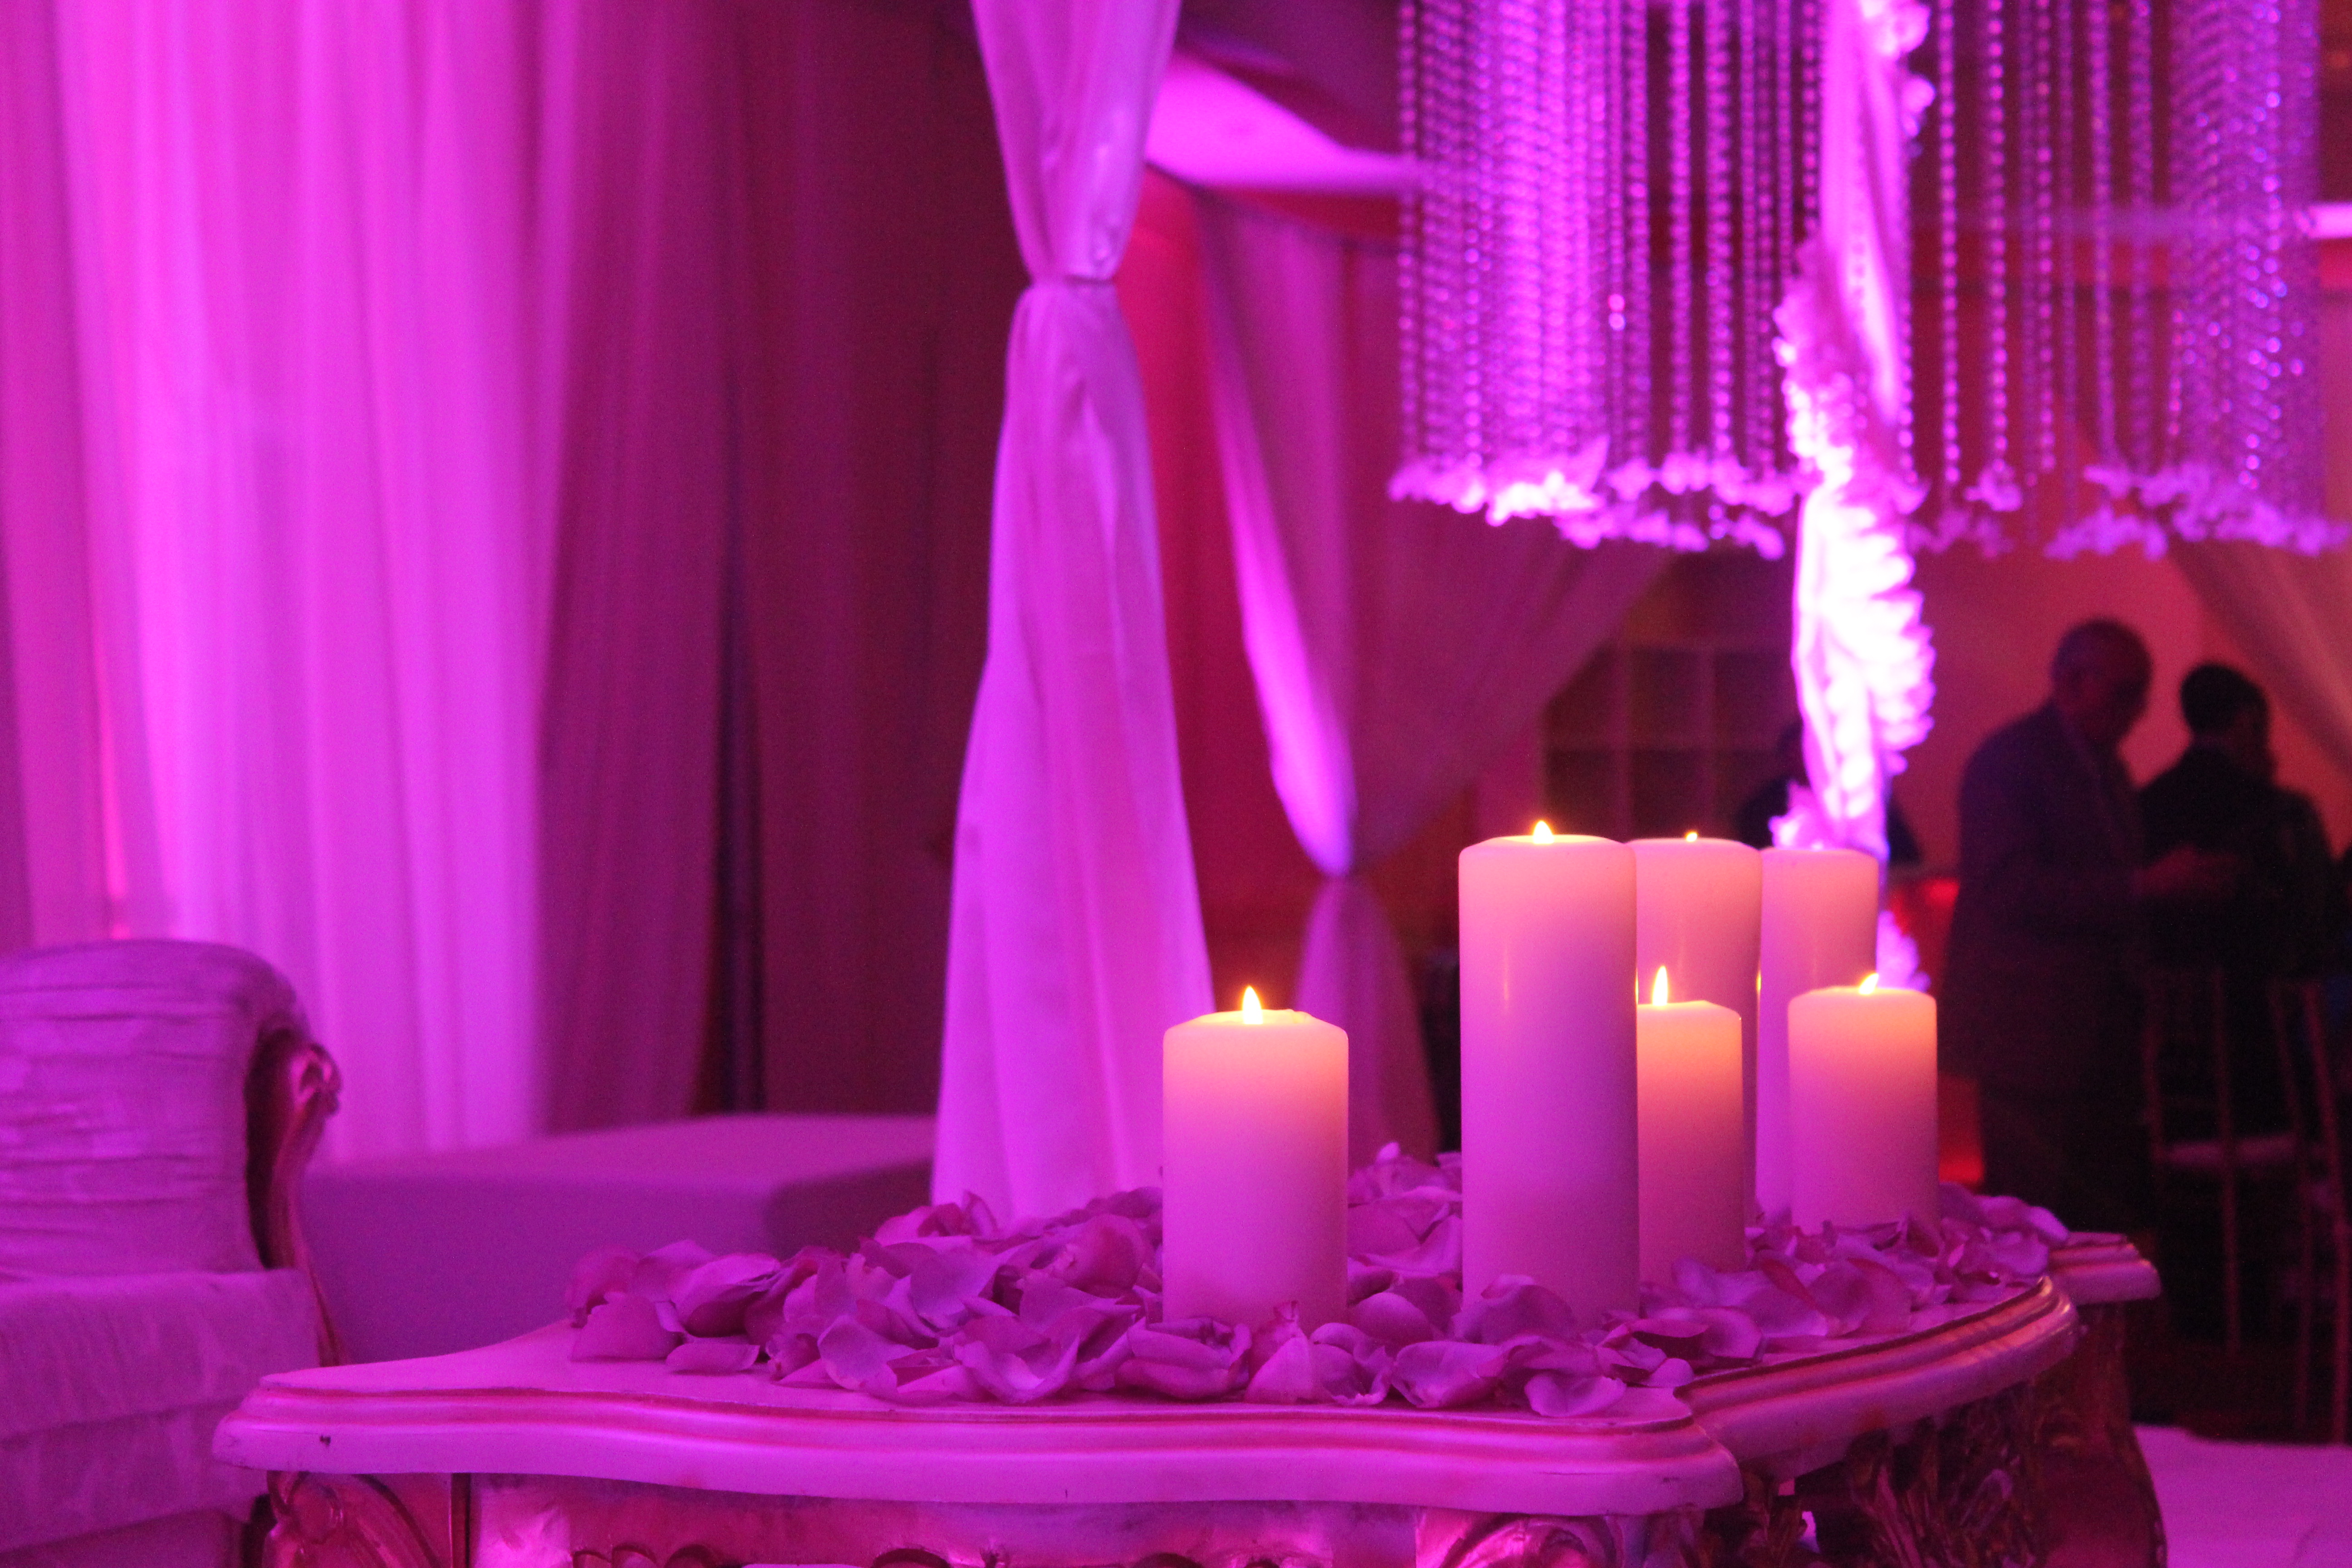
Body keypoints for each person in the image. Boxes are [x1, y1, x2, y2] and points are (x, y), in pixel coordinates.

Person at [1940, 619, 2234, 1231]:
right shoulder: (2009, 762)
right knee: (2034, 1222)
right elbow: (2007, 888)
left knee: (2093, 1222)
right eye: (2126, 693)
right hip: (2030, 1036)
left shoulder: (2103, 768)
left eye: (2140, 696)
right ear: (2072, 682)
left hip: (2093, 1034)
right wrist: (2145, 886)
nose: (2137, 713)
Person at [1733, 718, 1923, 864]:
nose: (1807, 761)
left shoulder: (1862, 797)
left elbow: (1906, 856)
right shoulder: (1763, 806)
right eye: (1799, 753)